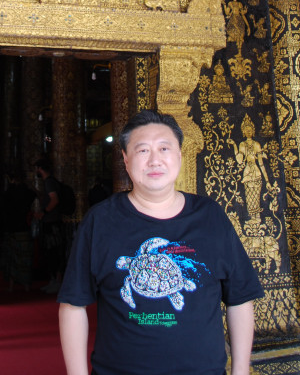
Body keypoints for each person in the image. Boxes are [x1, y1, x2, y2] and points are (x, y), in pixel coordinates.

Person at [58, 110, 264, 375]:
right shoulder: (100, 221)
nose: (154, 160)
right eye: (142, 150)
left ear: (179, 155)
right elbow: (73, 306)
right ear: (125, 159)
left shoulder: (210, 216)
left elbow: (240, 299)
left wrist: (241, 370)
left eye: (164, 148)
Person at [35, 157, 64, 293]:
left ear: (40, 169)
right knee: (52, 252)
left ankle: (57, 281)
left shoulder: (49, 183)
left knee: (53, 252)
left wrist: (44, 212)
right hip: (53, 221)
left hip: (52, 222)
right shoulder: (52, 182)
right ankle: (54, 280)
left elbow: (54, 200)